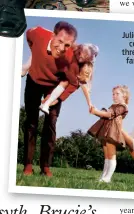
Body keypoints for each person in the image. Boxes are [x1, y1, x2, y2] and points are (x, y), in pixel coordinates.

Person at [23, 21, 78, 177]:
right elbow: (28, 34)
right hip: (33, 81)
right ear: (53, 36)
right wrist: (33, 53)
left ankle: (45, 166)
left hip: (54, 88)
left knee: (51, 124)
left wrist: (58, 97)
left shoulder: (70, 58)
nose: (61, 48)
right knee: (31, 122)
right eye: (59, 41)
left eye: (67, 45)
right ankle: (28, 164)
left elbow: (74, 83)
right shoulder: (39, 34)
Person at [22, 43, 99, 114]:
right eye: (80, 54)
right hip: (49, 73)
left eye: (85, 57)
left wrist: (89, 103)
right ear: (80, 49)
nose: (81, 57)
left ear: (89, 60)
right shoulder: (73, 47)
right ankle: (25, 67)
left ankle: (47, 104)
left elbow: (84, 84)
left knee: (53, 115)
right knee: (32, 109)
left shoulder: (85, 67)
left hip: (59, 86)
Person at [88, 85, 130, 183]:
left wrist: (96, 112)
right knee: (107, 156)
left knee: (111, 155)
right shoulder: (113, 106)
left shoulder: (123, 107)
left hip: (112, 133)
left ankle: (108, 177)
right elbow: (107, 112)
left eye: (117, 94)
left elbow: (109, 114)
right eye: (113, 94)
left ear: (124, 95)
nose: (114, 96)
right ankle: (103, 176)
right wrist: (98, 111)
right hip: (106, 132)